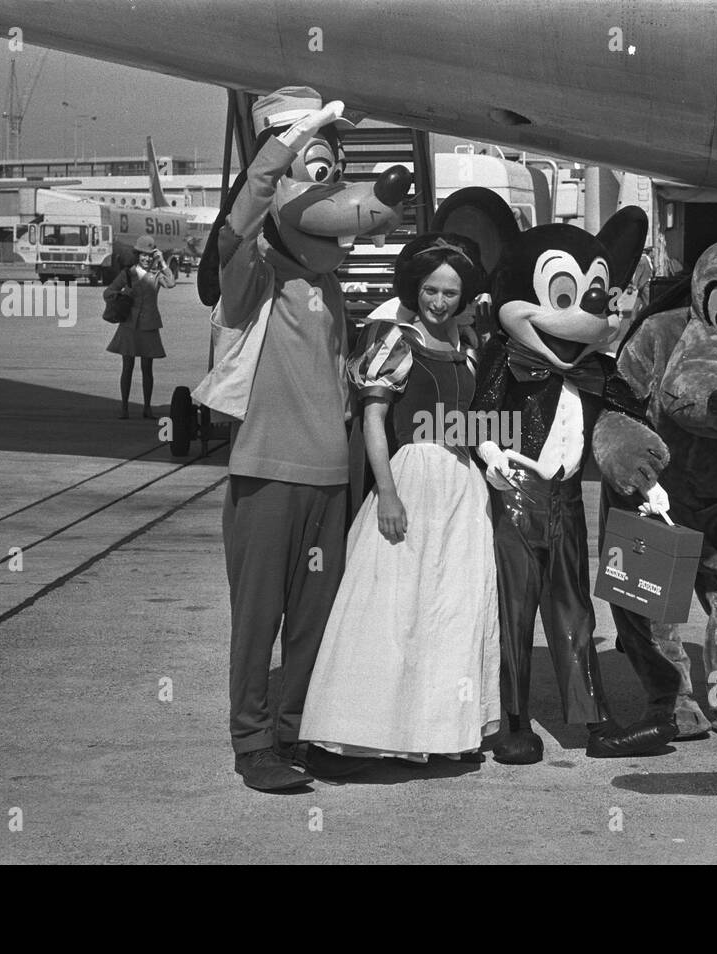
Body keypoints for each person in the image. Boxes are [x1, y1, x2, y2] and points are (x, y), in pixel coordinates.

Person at [213, 87, 410, 792]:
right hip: (267, 472)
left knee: (313, 623)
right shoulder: (251, 280)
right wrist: (293, 140)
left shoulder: (333, 293)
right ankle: (251, 741)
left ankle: (297, 731)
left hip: (329, 479)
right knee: (258, 619)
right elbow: (238, 223)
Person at [300, 234, 501, 762]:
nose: (439, 301)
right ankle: (369, 733)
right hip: (410, 478)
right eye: (431, 290)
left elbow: (464, 420)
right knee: (390, 609)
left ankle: (438, 734)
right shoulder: (396, 340)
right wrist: (386, 493)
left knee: (451, 611)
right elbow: (373, 420)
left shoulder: (469, 348)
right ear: (416, 289)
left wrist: (495, 458)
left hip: (461, 488)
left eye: (450, 293)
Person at [103, 235, 173, 419]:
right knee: (127, 367)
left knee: (147, 369)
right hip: (129, 325)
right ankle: (124, 407)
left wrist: (163, 262)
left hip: (149, 326)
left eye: (150, 255)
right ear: (137, 255)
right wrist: (123, 294)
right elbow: (108, 292)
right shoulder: (128, 274)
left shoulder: (157, 275)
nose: (147, 258)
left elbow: (171, 283)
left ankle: (147, 407)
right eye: (143, 255)